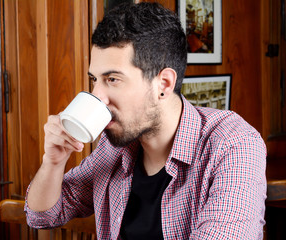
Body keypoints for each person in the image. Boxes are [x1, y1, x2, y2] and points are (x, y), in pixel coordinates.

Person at [25, 2, 267, 239]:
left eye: (112, 79)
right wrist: (53, 163)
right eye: (94, 79)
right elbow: (43, 217)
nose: (97, 96)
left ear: (163, 85)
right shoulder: (115, 146)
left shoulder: (234, 144)